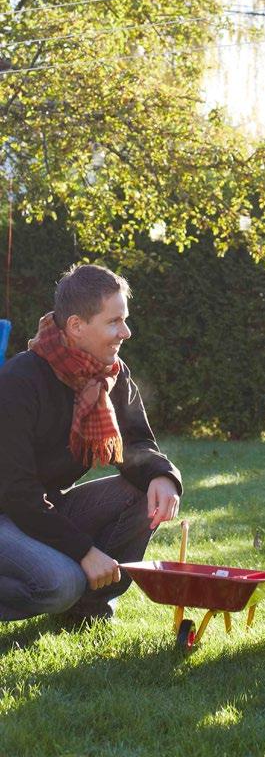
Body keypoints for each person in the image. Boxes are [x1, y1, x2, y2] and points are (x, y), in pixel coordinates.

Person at [0, 264, 182, 625]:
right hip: (8, 508)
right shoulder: (19, 381)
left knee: (142, 492)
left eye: (125, 319)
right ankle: (72, 597)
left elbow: (137, 443)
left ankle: (88, 609)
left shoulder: (109, 373)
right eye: (114, 321)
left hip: (41, 509)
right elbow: (16, 492)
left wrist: (163, 476)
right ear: (77, 327)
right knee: (61, 582)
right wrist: (83, 552)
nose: (126, 332)